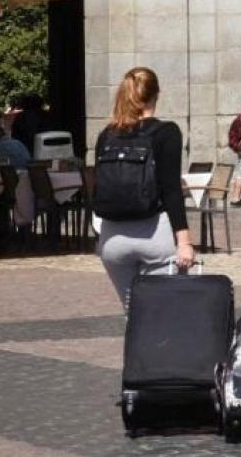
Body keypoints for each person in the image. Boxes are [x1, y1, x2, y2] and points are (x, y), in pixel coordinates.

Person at [94, 67, 195, 310]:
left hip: (112, 239)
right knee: (164, 315)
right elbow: (171, 189)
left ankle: (135, 349)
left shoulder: (107, 135)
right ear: (156, 94)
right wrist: (184, 240)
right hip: (153, 232)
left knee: (134, 315)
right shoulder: (166, 132)